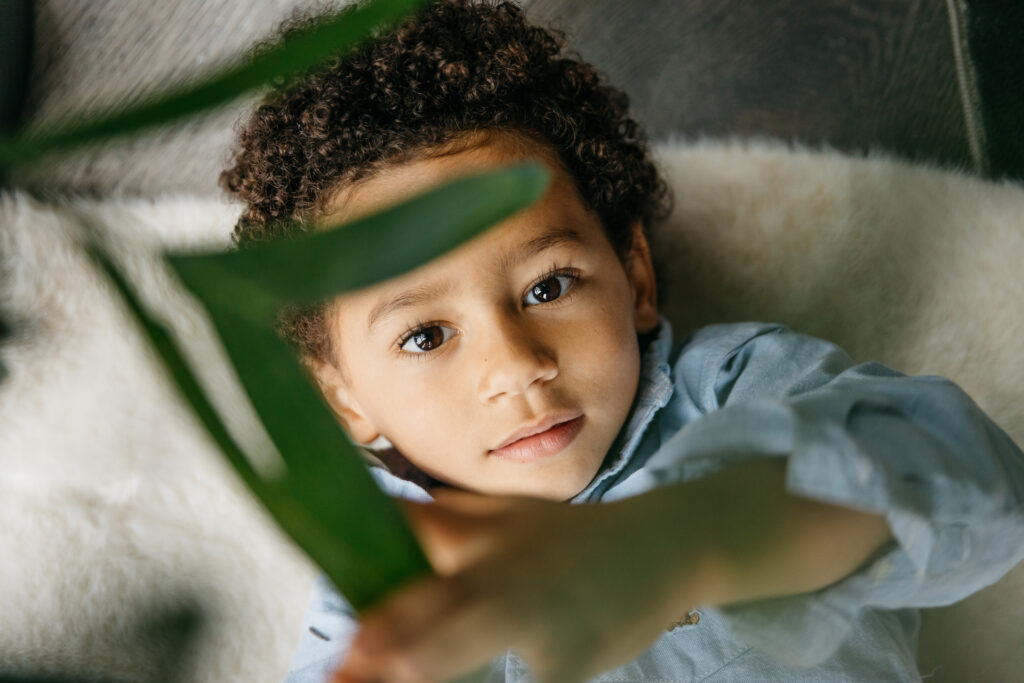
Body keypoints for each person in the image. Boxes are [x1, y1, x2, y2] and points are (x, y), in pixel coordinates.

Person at [220, 1, 1024, 681]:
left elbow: (979, 481)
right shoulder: (381, 577)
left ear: (634, 275)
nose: (517, 365)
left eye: (548, 286)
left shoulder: (738, 389)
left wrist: (689, 535)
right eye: (427, 334)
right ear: (345, 398)